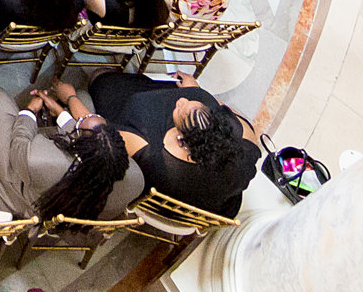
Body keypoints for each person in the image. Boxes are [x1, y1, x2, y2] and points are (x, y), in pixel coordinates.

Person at [82, 71, 259, 216]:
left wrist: (71, 98)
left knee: (100, 79)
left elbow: (100, 131)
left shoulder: (150, 151)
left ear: (185, 140)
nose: (182, 100)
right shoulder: (247, 140)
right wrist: (196, 90)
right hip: (211, 209)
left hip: (160, 204)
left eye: (182, 109)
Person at [0, 84, 142, 225]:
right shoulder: (137, 178)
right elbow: (90, 144)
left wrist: (30, 110)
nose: (79, 119)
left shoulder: (38, 159)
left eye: (77, 126)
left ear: (81, 147)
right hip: (74, 209)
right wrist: (61, 113)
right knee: (83, 96)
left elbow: (20, 142)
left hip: (22, 191)